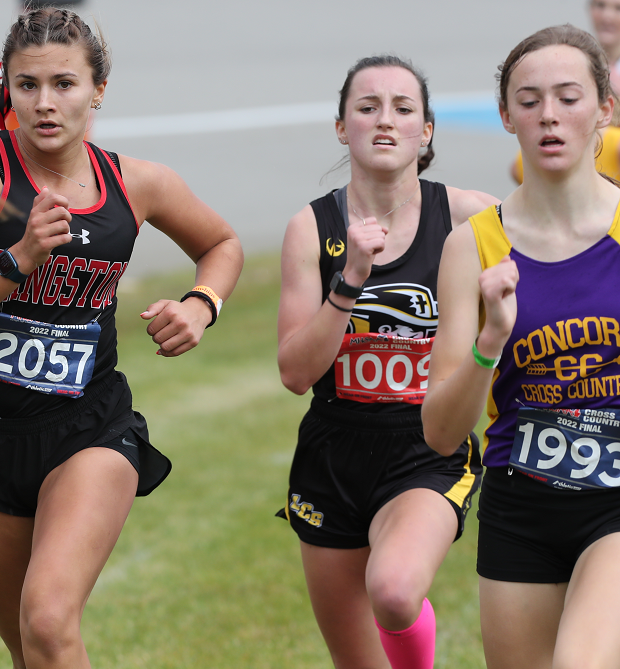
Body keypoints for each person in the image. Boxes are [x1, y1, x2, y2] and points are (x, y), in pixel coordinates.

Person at [0, 7, 243, 668]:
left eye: (64, 84)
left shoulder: (137, 183)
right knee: (34, 647)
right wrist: (15, 262)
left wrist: (201, 305)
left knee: (48, 615)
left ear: (97, 90)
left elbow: (221, 243)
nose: (45, 103)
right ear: (6, 87)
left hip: (88, 428)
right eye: (28, 85)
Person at [276, 55, 497, 669]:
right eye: (367, 107)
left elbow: (563, 255)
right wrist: (349, 282)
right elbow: (295, 374)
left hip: (427, 445)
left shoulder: (469, 215)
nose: (385, 121)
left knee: (396, 592)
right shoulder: (311, 228)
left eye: (403, 109)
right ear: (341, 126)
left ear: (426, 131)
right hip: (332, 454)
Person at [423, 25, 620, 669]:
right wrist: (489, 342)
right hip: (520, 503)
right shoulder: (471, 247)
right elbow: (442, 434)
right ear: (506, 116)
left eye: (569, 97)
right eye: (529, 100)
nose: (550, 116)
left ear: (605, 109)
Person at [510, 0, 620, 184]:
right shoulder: (579, 62)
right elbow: (517, 169)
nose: (607, 16)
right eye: (600, 6)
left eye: (618, 8)